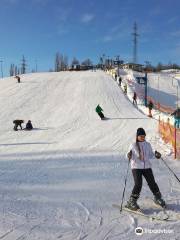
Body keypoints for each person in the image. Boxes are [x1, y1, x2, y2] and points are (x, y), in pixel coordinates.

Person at [125, 127, 165, 211]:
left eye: (143, 136)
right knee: (138, 184)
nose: (142, 137)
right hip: (136, 167)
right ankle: (131, 202)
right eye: (141, 136)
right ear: (137, 136)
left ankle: (157, 198)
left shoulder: (147, 144)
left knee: (152, 182)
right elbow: (128, 154)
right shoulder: (133, 145)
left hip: (147, 166)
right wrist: (129, 155)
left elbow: (150, 154)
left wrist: (156, 154)